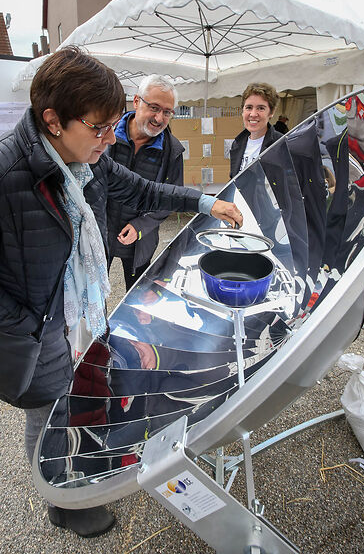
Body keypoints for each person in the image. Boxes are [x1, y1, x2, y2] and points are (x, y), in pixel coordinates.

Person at [0, 47, 242, 538]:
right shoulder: (8, 176)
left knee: (80, 400)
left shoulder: (86, 163)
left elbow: (145, 191)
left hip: (80, 315)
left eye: (113, 126)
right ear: (52, 120)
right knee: (48, 414)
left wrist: (203, 201)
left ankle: (75, 477)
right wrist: (24, 327)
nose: (109, 139)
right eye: (99, 128)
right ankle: (61, 499)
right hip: (38, 330)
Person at [107, 74, 183, 291]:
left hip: (140, 240)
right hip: (102, 233)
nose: (159, 118)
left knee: (137, 296)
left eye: (167, 112)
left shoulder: (172, 151)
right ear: (137, 101)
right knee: (94, 297)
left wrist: (140, 226)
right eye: (155, 108)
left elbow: (170, 199)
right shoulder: (106, 133)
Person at [229, 82, 282, 178]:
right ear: (242, 110)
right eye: (249, 107)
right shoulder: (237, 144)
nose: (253, 114)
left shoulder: (280, 144)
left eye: (261, 108)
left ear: (271, 112)